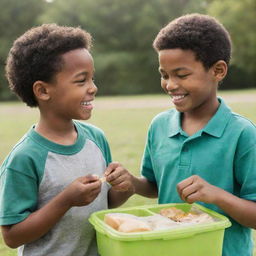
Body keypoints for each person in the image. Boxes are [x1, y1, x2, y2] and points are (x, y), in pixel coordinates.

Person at [116, 13, 256, 256]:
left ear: (218, 70)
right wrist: (133, 183)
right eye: (164, 74)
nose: (170, 84)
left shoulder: (242, 134)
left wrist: (218, 196)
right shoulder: (159, 126)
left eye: (181, 75)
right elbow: (155, 186)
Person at [0, 24, 133, 256]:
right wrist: (65, 201)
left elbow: (106, 202)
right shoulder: (25, 158)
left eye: (92, 78)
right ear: (42, 91)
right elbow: (12, 236)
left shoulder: (96, 138)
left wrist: (124, 187)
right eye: (81, 81)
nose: (93, 88)